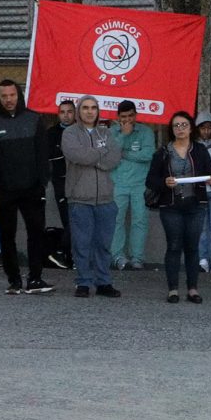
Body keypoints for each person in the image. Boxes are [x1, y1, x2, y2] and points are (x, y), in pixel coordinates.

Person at [0, 80, 57, 294]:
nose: (8, 100)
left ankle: (35, 279)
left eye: (12, 95)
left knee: (36, 233)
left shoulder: (34, 119)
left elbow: (42, 155)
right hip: (4, 192)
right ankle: (14, 280)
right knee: (6, 236)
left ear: (19, 95)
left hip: (32, 190)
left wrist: (41, 183)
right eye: (4, 96)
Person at [147, 110, 211, 303]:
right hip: (171, 206)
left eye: (184, 125)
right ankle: (173, 289)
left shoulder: (200, 150)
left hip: (196, 206)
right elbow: (151, 180)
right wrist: (164, 183)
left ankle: (193, 289)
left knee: (192, 247)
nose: (180, 129)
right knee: (174, 246)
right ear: (171, 129)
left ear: (191, 127)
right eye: (176, 125)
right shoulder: (163, 152)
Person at [59, 96, 124, 298]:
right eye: (85, 108)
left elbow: (114, 158)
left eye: (93, 108)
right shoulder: (70, 133)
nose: (89, 111)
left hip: (105, 198)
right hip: (80, 198)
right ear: (79, 111)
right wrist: (100, 153)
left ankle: (104, 282)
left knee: (104, 244)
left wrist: (94, 157)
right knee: (82, 243)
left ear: (98, 110)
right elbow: (78, 156)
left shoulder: (106, 132)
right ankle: (83, 282)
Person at [107, 101, 157, 272]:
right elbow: (110, 155)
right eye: (123, 117)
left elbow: (148, 154)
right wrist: (123, 135)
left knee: (140, 221)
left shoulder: (146, 132)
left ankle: (137, 258)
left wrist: (125, 153)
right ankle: (118, 257)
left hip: (140, 184)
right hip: (117, 183)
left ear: (136, 115)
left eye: (130, 116)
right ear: (117, 117)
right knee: (116, 221)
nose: (127, 120)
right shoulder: (111, 132)